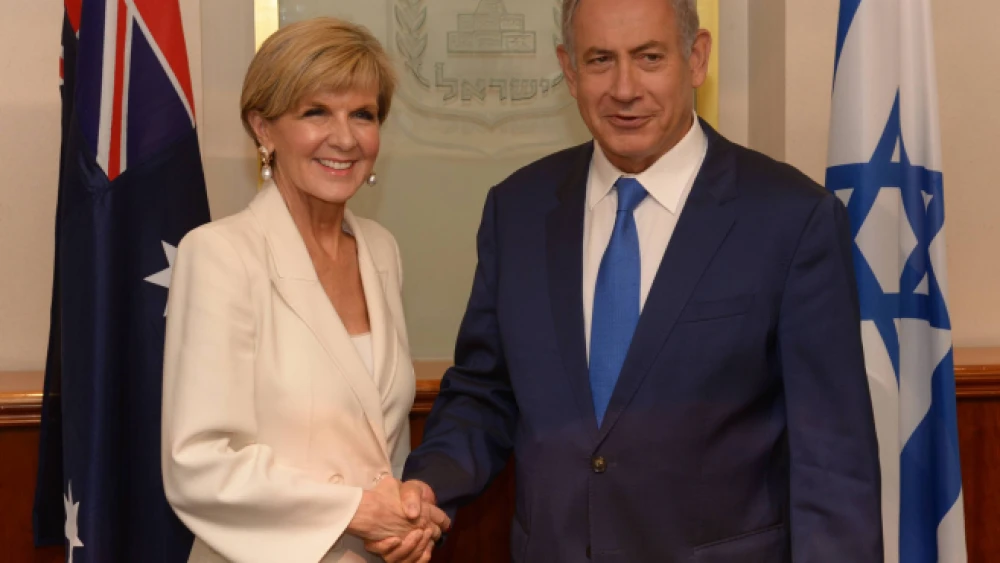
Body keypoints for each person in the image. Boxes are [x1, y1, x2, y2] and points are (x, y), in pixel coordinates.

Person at [373, 0, 884, 561]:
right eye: (600, 60)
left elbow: (833, 460)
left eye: (648, 57)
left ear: (696, 59)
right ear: (569, 70)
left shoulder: (791, 218)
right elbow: (485, 392)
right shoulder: (517, 209)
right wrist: (429, 485)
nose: (624, 88)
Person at [161, 17, 448, 563]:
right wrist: (357, 511)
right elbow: (197, 464)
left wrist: (407, 512)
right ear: (264, 129)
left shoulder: (381, 250)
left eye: (362, 115)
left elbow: (377, 438)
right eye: (316, 112)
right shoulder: (221, 254)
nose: (344, 137)